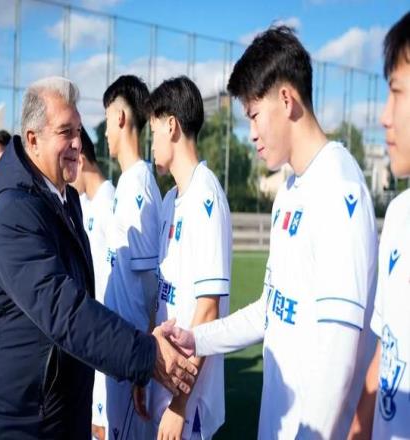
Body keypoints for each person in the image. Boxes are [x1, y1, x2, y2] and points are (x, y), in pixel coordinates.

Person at [162, 26, 378, 439]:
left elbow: (339, 353)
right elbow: (270, 310)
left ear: (286, 99)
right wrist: (195, 338)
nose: (252, 133)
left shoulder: (339, 187)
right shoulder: (290, 189)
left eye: (254, 115)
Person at [0, 76, 196, 440]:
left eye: (78, 130)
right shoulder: (16, 212)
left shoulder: (64, 201)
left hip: (54, 412)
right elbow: (65, 311)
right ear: (32, 140)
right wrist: (147, 354)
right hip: (21, 422)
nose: (78, 143)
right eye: (65, 132)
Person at [137, 76, 231, 439]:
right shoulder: (169, 200)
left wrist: (180, 404)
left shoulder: (207, 196)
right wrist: (146, 367)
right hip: (163, 379)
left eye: (154, 131)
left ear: (172, 125)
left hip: (188, 400)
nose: (151, 143)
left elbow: (207, 310)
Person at [348, 12, 410, 439]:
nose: (384, 116)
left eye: (397, 91)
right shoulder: (400, 214)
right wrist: (356, 430)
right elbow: (386, 348)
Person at [102, 75, 162, 439]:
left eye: (107, 119)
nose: (105, 130)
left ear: (121, 118)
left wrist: (143, 362)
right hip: (120, 350)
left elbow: (151, 287)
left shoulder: (137, 184)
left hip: (131, 355)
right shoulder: (127, 182)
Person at [70, 126, 115, 440]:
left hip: (103, 332)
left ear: (81, 160)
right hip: (88, 331)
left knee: (102, 426)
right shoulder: (85, 202)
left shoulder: (109, 203)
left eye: (70, 164)